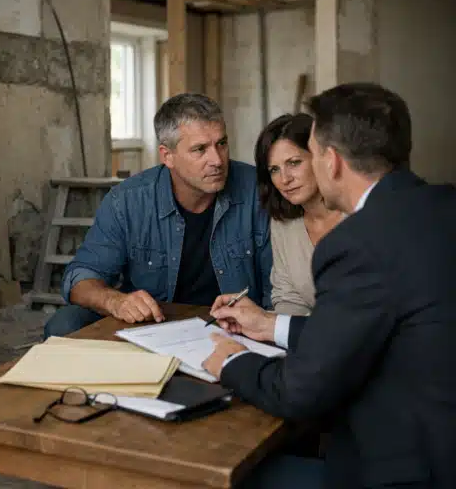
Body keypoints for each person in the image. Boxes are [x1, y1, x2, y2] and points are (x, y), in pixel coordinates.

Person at [203, 82, 456, 488]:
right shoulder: (442, 205)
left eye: (307, 155)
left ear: (331, 161)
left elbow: (299, 391)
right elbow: (366, 328)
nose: (286, 178)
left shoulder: (358, 243)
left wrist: (232, 362)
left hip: (406, 469)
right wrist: (270, 325)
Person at [44, 92, 273, 339]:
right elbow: (80, 277)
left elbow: (278, 290)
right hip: (153, 326)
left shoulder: (257, 191)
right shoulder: (127, 201)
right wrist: (116, 301)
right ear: (167, 156)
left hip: (234, 327)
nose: (217, 160)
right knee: (65, 324)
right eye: (200, 149)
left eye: (222, 143)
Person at [254, 113, 343, 315]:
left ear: (322, 158)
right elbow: (288, 298)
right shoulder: (283, 223)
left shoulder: (359, 213)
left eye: (294, 163)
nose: (284, 179)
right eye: (274, 169)